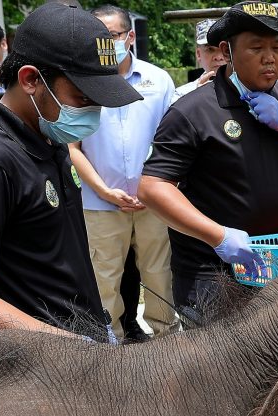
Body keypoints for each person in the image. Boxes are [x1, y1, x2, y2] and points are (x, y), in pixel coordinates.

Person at [0, 2, 142, 338]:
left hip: (81, 339)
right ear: (31, 80)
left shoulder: (49, 136)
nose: (94, 112)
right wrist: (69, 344)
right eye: (83, 98)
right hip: (36, 360)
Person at [138, 1, 278, 318]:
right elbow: (152, 187)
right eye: (256, 48)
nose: (269, 57)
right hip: (213, 275)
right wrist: (218, 236)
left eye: (277, 46)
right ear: (226, 51)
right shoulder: (193, 110)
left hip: (272, 267)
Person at [68, 5, 176, 340]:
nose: (105, 43)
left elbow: (173, 141)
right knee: (103, 280)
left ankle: (168, 342)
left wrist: (153, 187)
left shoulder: (158, 80)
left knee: (159, 275)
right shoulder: (78, 81)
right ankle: (109, 346)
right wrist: (104, 190)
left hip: (153, 201)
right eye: (97, 36)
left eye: (112, 35)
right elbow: (72, 147)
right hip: (100, 203)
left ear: (129, 36)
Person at [174, 19, 227, 100]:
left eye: (224, 49)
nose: (218, 57)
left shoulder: (246, 90)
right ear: (198, 54)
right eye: (210, 49)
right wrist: (198, 99)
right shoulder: (182, 94)